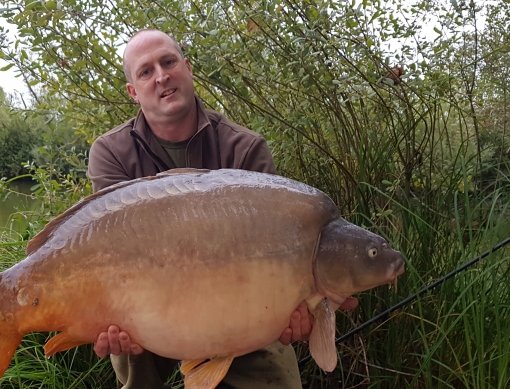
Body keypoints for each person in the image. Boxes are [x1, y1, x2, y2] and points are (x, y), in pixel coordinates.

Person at [87, 29, 356, 389]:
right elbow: (105, 248)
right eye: (146, 71)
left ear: (187, 68)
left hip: (237, 306)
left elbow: (280, 252)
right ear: (133, 92)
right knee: (125, 336)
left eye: (168, 62)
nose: (162, 76)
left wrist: (291, 310)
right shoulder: (111, 153)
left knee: (272, 357)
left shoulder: (244, 149)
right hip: (148, 299)